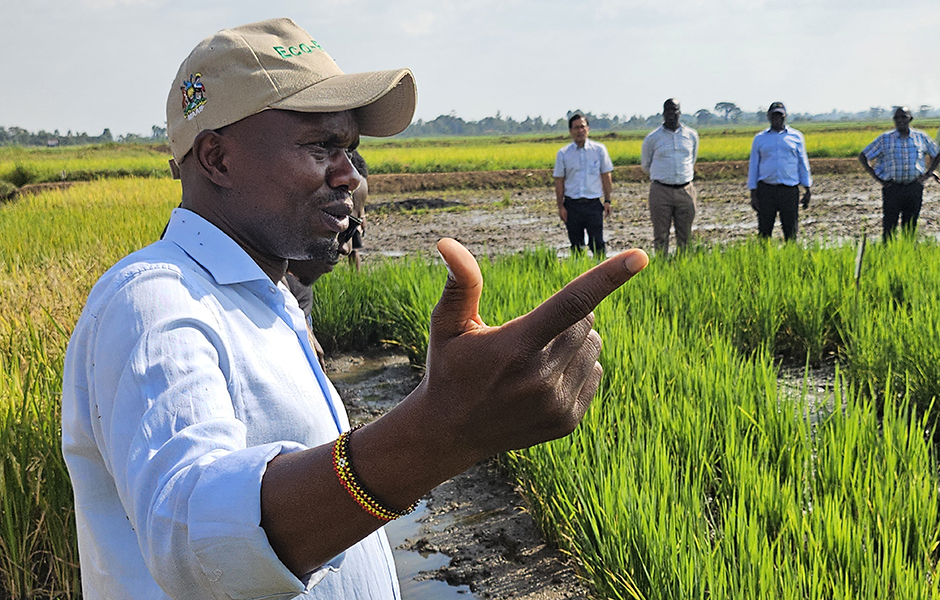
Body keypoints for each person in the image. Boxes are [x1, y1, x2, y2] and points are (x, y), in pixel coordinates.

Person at [60, 17, 649, 600]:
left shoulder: (266, 298)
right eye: (321, 146)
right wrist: (440, 429)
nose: (350, 175)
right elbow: (193, 540)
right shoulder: (154, 301)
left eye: (351, 149)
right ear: (216, 159)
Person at [858, 106, 940, 242]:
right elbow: (863, 156)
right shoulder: (885, 139)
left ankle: (907, 254)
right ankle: (887, 255)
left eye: (903, 117)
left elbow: (936, 154)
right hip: (892, 188)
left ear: (910, 119)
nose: (900, 120)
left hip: (914, 187)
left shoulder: (920, 137)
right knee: (889, 226)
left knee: (910, 227)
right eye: (897, 118)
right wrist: (878, 178)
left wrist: (928, 173)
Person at [640, 98, 699, 255]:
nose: (672, 114)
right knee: (660, 235)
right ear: (663, 113)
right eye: (668, 110)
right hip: (661, 191)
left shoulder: (691, 135)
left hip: (685, 190)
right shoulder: (652, 138)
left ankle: (684, 267)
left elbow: (692, 159)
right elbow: (646, 164)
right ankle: (662, 268)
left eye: (675, 110)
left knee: (685, 235)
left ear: (680, 112)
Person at [747, 102, 812, 241]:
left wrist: (807, 188)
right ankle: (763, 259)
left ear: (785, 117)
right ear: (768, 117)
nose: (777, 119)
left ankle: (791, 258)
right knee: (764, 231)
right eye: (774, 115)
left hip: (789, 190)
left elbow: (803, 163)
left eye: (780, 116)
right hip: (766, 189)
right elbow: (753, 166)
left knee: (791, 231)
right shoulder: (760, 139)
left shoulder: (796, 137)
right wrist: (753, 192)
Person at [553, 113, 614, 257]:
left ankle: (601, 276)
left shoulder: (599, 150)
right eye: (576, 128)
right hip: (572, 206)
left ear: (588, 129)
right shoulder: (563, 154)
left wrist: (607, 200)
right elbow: (559, 180)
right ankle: (580, 275)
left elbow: (606, 175)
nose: (580, 130)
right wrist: (560, 206)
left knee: (598, 244)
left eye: (582, 127)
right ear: (570, 131)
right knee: (576, 246)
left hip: (593, 205)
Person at [346, 150, 368, 270]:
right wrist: (362, 216)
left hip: (348, 213)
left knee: (352, 249)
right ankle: (356, 277)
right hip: (354, 216)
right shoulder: (360, 177)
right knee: (353, 250)